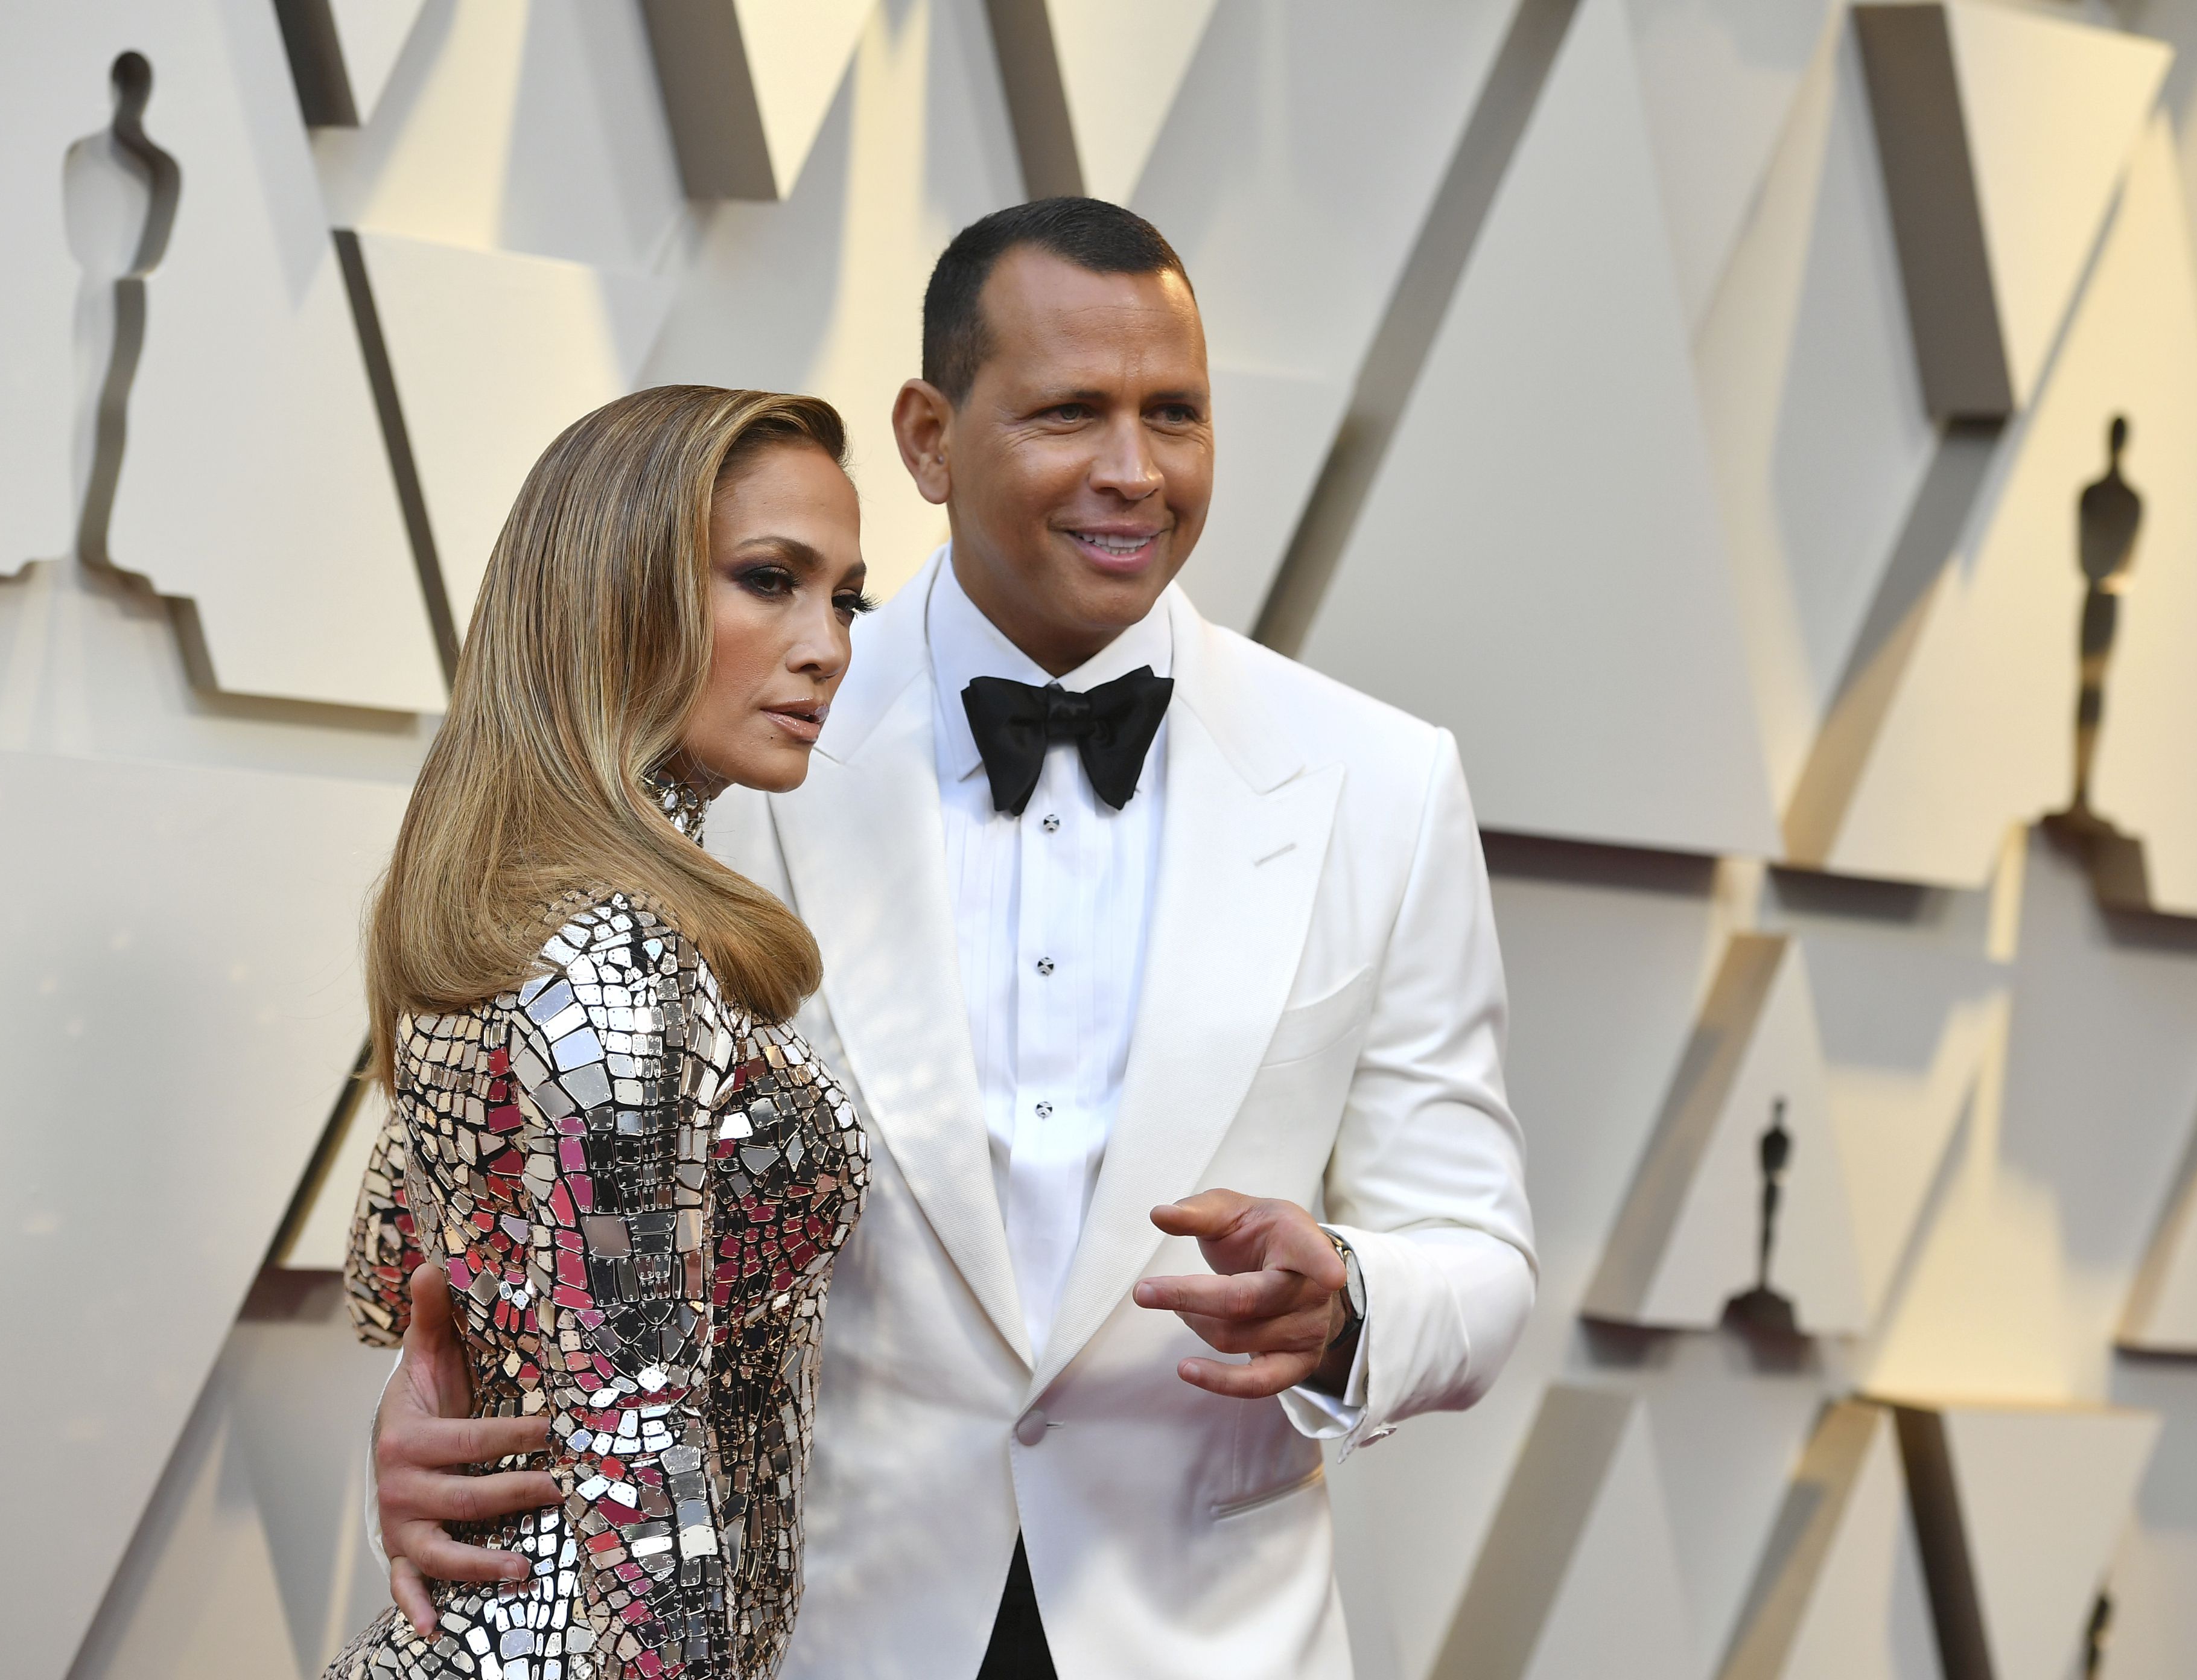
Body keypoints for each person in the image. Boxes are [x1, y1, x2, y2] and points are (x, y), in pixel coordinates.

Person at [370, 199, 1537, 1679]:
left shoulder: (1380, 779)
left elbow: (1482, 1254)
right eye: (1070, 412)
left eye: (1174, 414)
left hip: (1209, 1636)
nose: (1135, 470)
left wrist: (1354, 1303)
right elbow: (538, 1213)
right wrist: (428, 1434)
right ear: (928, 436)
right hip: (812, 1635)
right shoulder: (736, 739)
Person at [328, 386, 875, 1678]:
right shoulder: (617, 953)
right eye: (768, 581)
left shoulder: (524, 915)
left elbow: (394, 1268)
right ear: (615, 589)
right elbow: (637, 1433)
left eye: (845, 598)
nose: (828, 646)